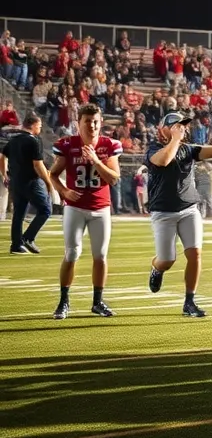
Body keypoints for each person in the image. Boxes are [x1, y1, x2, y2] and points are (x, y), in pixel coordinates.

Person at [146, 110, 212, 317]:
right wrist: (174, 139)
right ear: (162, 129)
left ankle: (189, 301)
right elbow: (164, 160)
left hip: (188, 209)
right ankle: (156, 268)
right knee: (167, 260)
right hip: (163, 211)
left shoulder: (189, 150)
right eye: (176, 125)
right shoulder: (154, 149)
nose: (181, 128)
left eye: (183, 125)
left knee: (195, 253)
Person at [46, 104, 122, 318]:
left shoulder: (109, 145)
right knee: (72, 253)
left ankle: (98, 302)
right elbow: (53, 174)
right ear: (78, 123)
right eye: (88, 121)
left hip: (101, 208)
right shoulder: (67, 144)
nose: (93, 125)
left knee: (100, 255)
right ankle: (63, 302)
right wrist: (63, 192)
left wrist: (96, 160)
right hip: (75, 207)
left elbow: (114, 178)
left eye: (96, 121)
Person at [1, 112, 54, 254]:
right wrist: (48, 182)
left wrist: (4, 174)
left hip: (16, 182)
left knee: (19, 214)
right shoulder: (34, 141)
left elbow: (2, 157)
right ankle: (28, 238)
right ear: (34, 125)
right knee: (45, 210)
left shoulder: (14, 140)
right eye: (40, 126)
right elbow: (38, 165)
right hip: (31, 181)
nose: (40, 129)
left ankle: (16, 245)